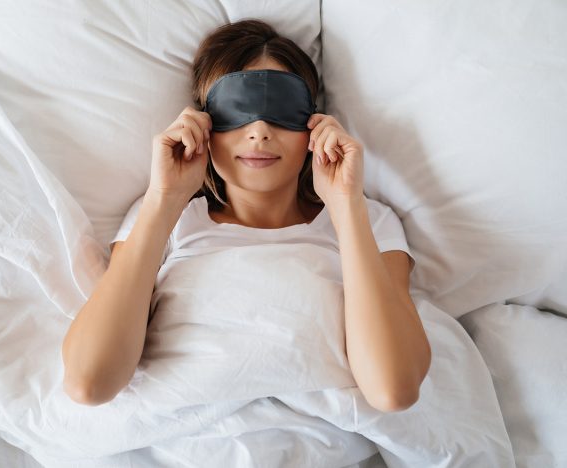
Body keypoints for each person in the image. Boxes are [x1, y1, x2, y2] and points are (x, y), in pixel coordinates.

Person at [61, 19, 431, 410]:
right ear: (203, 123)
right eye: (235, 110)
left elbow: (393, 389)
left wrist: (346, 206)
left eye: (282, 111)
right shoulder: (165, 218)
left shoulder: (369, 221)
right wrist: (164, 198)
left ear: (314, 123)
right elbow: (89, 383)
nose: (258, 131)